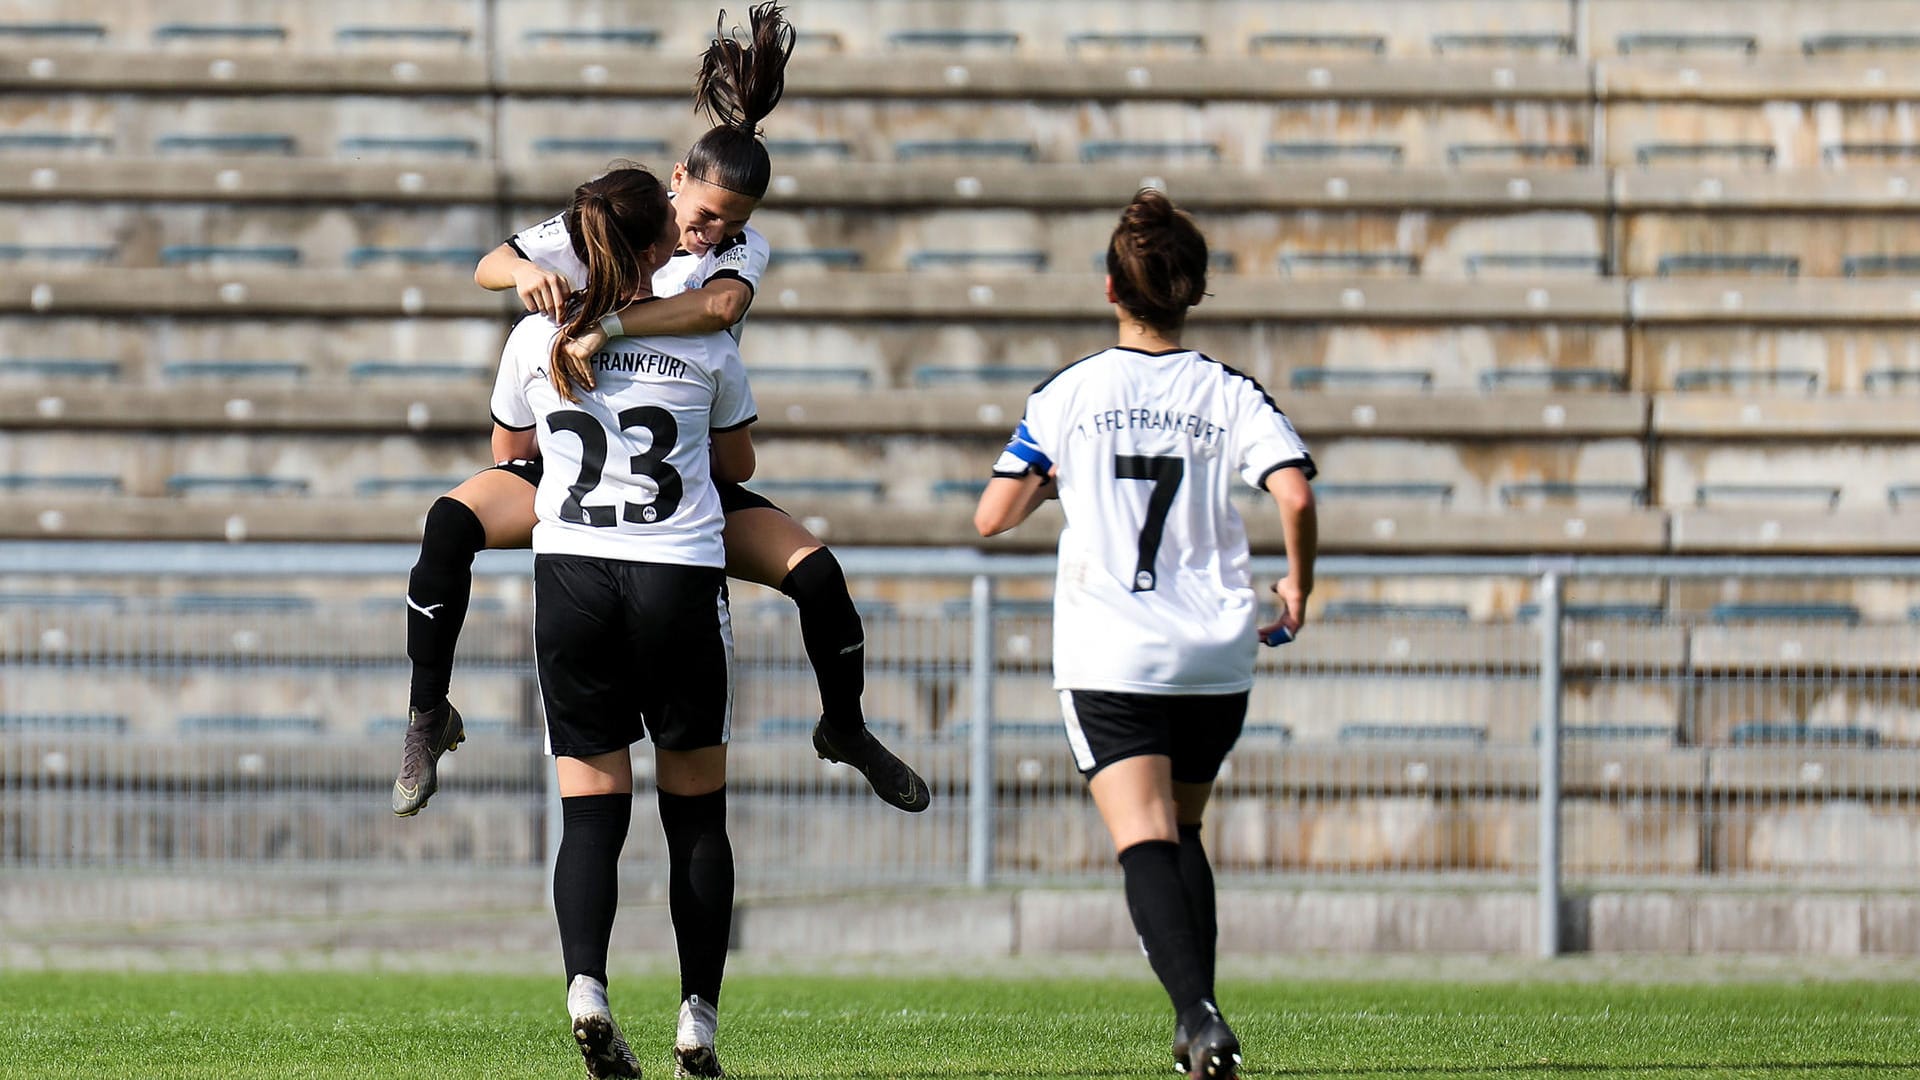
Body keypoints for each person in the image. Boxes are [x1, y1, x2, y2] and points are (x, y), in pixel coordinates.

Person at [393, 1, 929, 820]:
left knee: (818, 576)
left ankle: (845, 727)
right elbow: (489, 264)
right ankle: (428, 714)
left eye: (733, 223)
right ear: (676, 181)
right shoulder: (607, 223)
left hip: (674, 481)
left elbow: (715, 310)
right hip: (578, 470)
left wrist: (599, 327)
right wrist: (524, 277)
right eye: (705, 214)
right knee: (447, 526)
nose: (714, 233)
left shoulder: (736, 254)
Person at [972, 189, 1318, 1080]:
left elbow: (992, 515)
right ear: (1192, 289)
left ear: (1110, 288)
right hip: (1214, 651)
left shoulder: (1071, 391)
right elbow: (1296, 493)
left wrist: (1059, 483)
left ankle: (1199, 1017)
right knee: (1183, 829)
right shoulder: (1230, 391)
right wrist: (1297, 589)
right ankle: (1193, 1025)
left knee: (1145, 839)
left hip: (1111, 649)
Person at [492, 163, 748, 1079]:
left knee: (591, 816)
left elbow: (508, 451)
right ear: (656, 246)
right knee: (697, 817)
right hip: (675, 576)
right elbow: (739, 454)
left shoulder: (535, 335)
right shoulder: (707, 338)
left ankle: (586, 990)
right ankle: (697, 1026)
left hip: (573, 577)